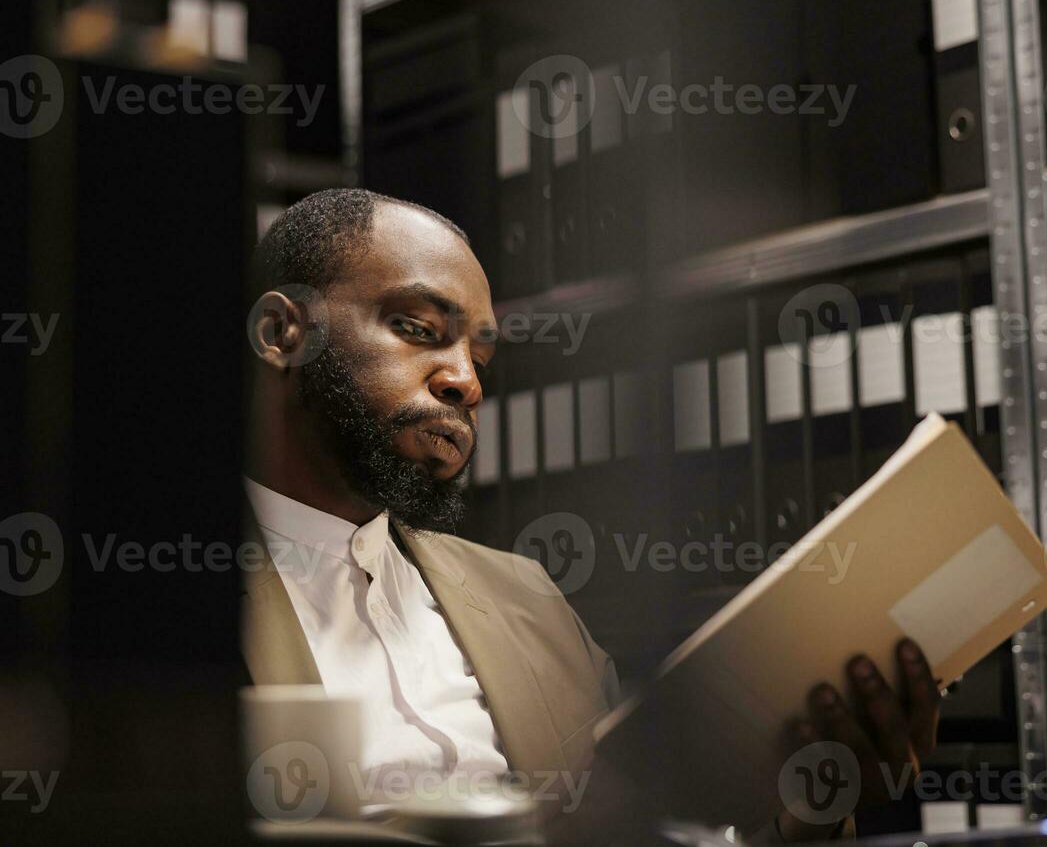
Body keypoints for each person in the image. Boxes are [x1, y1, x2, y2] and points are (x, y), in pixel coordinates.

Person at [242, 188, 940, 842]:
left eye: (480, 355)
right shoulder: (162, 608)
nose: (467, 381)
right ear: (282, 332)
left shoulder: (526, 597)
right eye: (417, 328)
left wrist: (809, 808)